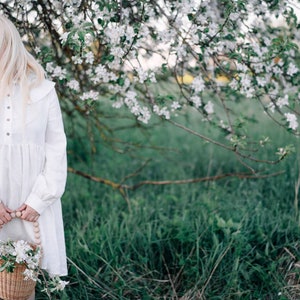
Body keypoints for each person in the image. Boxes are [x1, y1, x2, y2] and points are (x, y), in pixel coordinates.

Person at [0, 15, 67, 299]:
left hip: (31, 201)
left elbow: (56, 148)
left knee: (22, 282)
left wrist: (40, 200)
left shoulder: (43, 91)